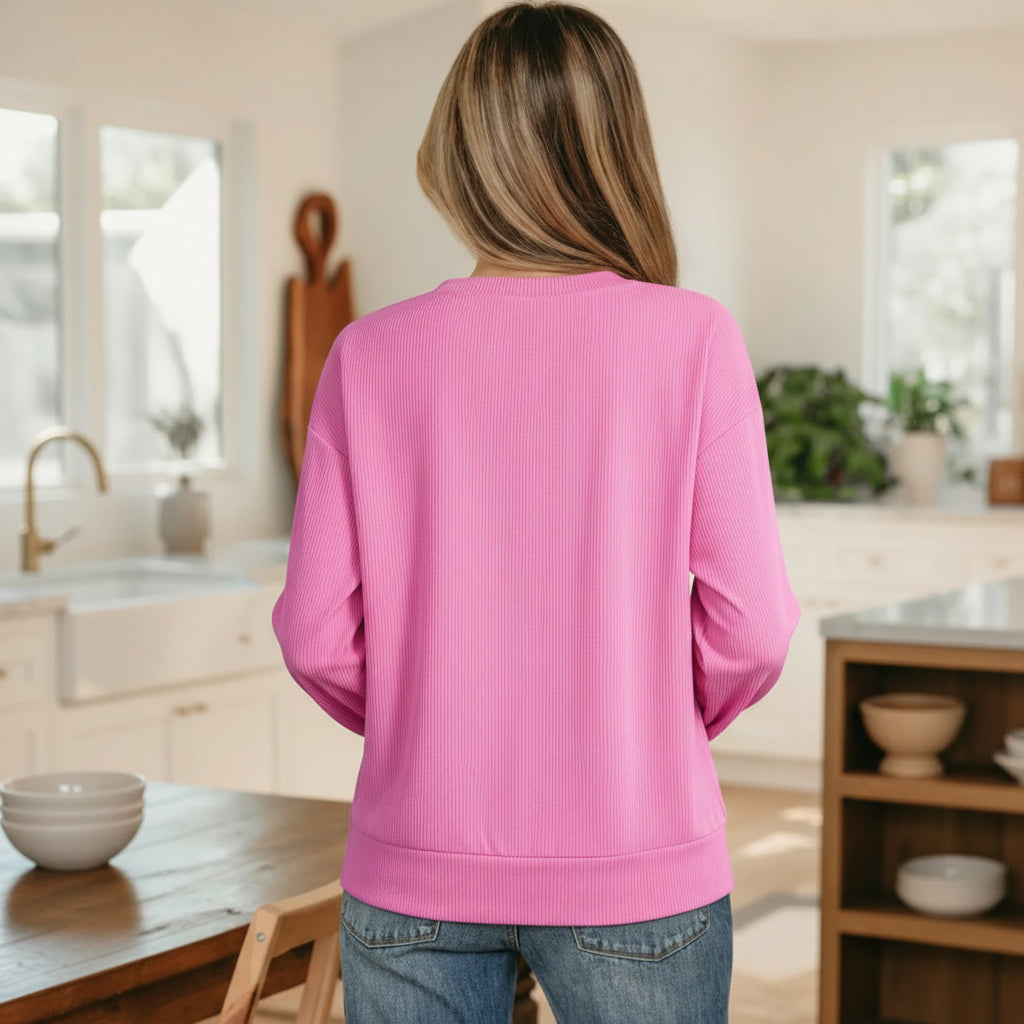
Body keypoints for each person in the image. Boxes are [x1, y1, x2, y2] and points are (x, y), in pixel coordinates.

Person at [272, 3, 800, 1021]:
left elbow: (311, 635)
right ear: (616, 153)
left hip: (412, 859)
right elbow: (754, 628)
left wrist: (430, 719)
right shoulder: (694, 341)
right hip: (640, 859)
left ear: (457, 153)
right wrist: (651, 719)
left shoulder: (368, 356)